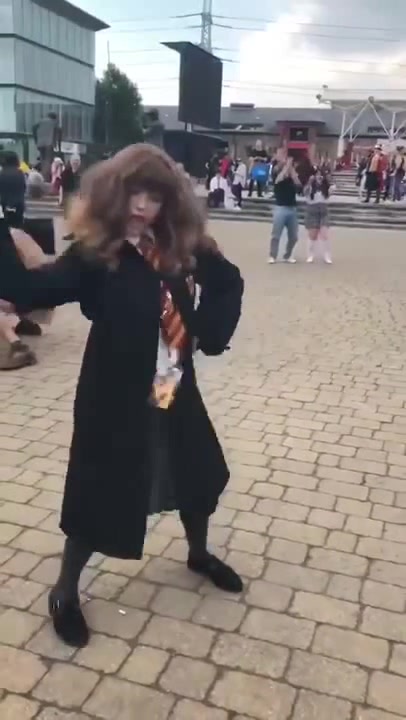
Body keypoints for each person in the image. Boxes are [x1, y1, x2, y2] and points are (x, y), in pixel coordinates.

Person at [0, 143, 244, 648]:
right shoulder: (96, 255)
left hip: (172, 382)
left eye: (154, 196)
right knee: (99, 488)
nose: (142, 205)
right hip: (113, 391)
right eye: (134, 193)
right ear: (114, 194)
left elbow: (228, 282)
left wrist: (208, 332)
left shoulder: (180, 244)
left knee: (194, 470)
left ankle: (198, 554)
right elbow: (31, 289)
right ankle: (65, 591)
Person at [268, 154, 301, 264]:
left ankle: (287, 255)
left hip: (292, 209)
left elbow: (298, 183)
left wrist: (291, 168)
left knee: (294, 236)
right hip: (280, 209)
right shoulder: (277, 176)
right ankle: (272, 256)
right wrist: (287, 165)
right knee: (276, 235)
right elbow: (280, 178)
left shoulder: (292, 178)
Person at [304, 169, 333, 264]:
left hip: (323, 212)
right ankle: (310, 255)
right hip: (312, 211)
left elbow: (332, 188)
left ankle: (327, 255)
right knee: (312, 235)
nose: (319, 177)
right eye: (317, 175)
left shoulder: (326, 187)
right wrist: (310, 181)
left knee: (324, 234)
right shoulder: (310, 187)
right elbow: (305, 192)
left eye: (321, 175)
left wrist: (328, 180)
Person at [0, 151, 26, 228]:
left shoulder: (2, 173)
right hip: (18, 204)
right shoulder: (20, 173)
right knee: (17, 226)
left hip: (4, 203)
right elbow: (23, 187)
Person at [60, 155, 81, 241]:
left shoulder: (81, 172)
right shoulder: (65, 172)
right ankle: (69, 233)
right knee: (68, 216)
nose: (75, 162)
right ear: (71, 162)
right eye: (74, 161)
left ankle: (75, 232)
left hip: (78, 196)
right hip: (68, 195)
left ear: (79, 162)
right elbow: (62, 186)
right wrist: (61, 198)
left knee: (77, 215)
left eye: (77, 161)